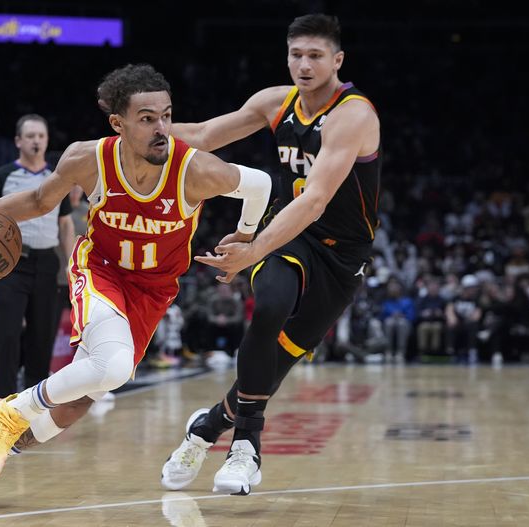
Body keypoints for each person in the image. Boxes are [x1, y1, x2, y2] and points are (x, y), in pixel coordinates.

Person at [0, 63, 273, 512]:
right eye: (147, 119)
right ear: (118, 123)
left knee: (74, 406)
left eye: (167, 116)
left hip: (152, 292)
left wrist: (247, 237)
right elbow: (39, 202)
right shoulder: (88, 158)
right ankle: (7, 414)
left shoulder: (193, 169)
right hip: (101, 270)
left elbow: (261, 184)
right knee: (112, 367)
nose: (162, 129)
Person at [161, 13, 381, 495]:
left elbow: (317, 198)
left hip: (342, 256)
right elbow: (200, 136)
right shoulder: (274, 102)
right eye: (296, 54)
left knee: (275, 365)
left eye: (315, 56)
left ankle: (207, 426)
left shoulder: (353, 114)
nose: (303, 64)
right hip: (288, 233)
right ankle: (247, 447)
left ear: (337, 60)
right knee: (270, 307)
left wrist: (251, 250)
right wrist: (144, 134)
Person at [0, 114, 76, 398]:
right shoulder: (2, 176)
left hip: (47, 263)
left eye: (41, 136)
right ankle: (0, 406)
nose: (36, 141)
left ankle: (31, 408)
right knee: (8, 335)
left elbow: (66, 223)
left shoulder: (56, 178)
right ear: (18, 141)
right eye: (31, 136)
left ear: (47, 141)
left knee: (42, 338)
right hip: (9, 263)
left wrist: (72, 264)